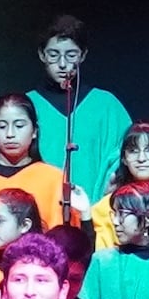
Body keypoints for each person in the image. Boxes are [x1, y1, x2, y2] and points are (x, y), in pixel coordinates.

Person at [0, 92, 71, 294]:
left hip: (37, 285)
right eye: (2, 126)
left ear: (34, 131)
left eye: (19, 126)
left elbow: (59, 241)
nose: (10, 134)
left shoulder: (53, 179)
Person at [24, 15, 131, 191]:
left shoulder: (107, 106)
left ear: (83, 55)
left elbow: (126, 152)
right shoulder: (27, 106)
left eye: (71, 55)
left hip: (95, 211)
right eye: (53, 55)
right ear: (42, 55)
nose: (63, 64)